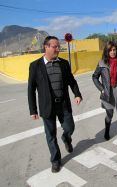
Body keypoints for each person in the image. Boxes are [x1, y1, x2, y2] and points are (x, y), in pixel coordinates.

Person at [28, 36, 82, 173]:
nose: (58, 49)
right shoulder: (35, 66)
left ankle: (66, 137)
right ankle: (56, 160)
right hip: (47, 106)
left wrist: (77, 94)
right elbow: (31, 89)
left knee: (70, 127)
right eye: (55, 46)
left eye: (58, 46)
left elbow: (71, 80)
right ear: (46, 47)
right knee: (50, 135)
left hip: (63, 104)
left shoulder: (64, 63)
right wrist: (33, 110)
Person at [92, 41, 117, 153]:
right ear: (107, 51)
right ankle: (107, 129)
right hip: (108, 93)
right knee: (109, 115)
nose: (113, 52)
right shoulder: (102, 63)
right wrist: (102, 89)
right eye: (110, 50)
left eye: (114, 50)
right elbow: (94, 77)